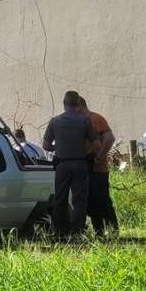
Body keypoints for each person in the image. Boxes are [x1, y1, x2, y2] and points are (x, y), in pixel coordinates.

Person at [42, 90, 98, 237]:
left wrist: (58, 147)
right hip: (80, 163)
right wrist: (87, 152)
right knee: (79, 199)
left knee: (60, 198)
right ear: (77, 104)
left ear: (64, 104)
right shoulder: (85, 120)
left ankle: (59, 231)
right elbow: (97, 145)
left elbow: (46, 146)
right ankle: (77, 231)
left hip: (62, 164)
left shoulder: (55, 121)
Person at [78, 96, 119, 237]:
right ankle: (99, 232)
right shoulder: (80, 121)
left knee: (102, 200)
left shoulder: (95, 119)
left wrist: (99, 156)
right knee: (91, 202)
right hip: (86, 168)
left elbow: (110, 138)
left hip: (98, 168)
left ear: (80, 106)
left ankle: (113, 230)